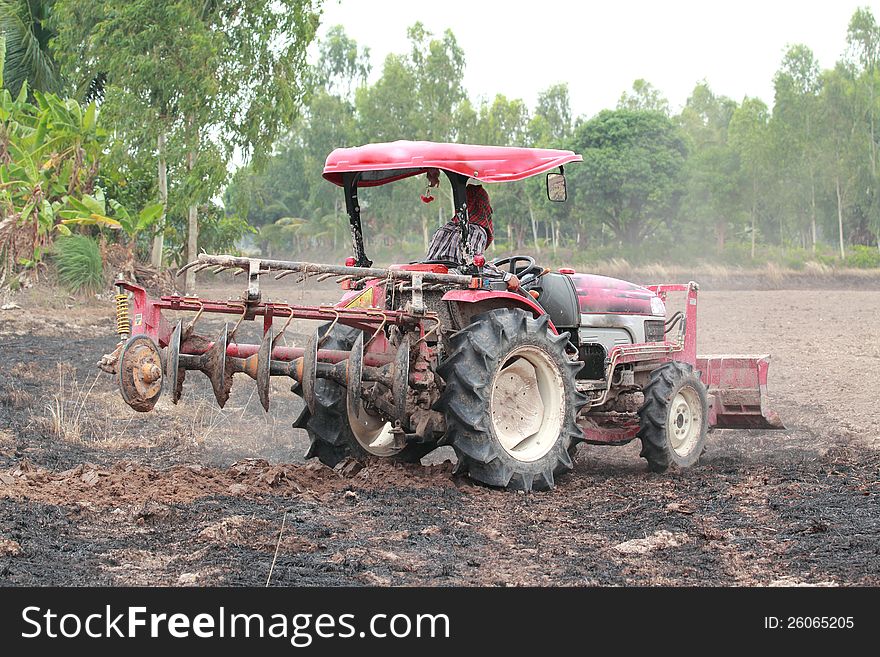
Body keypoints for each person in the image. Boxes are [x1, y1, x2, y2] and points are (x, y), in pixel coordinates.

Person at [424, 174, 521, 291]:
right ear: (483, 207)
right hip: (453, 285)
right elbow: (473, 266)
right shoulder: (476, 231)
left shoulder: (442, 230)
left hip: (430, 283)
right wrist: (507, 276)